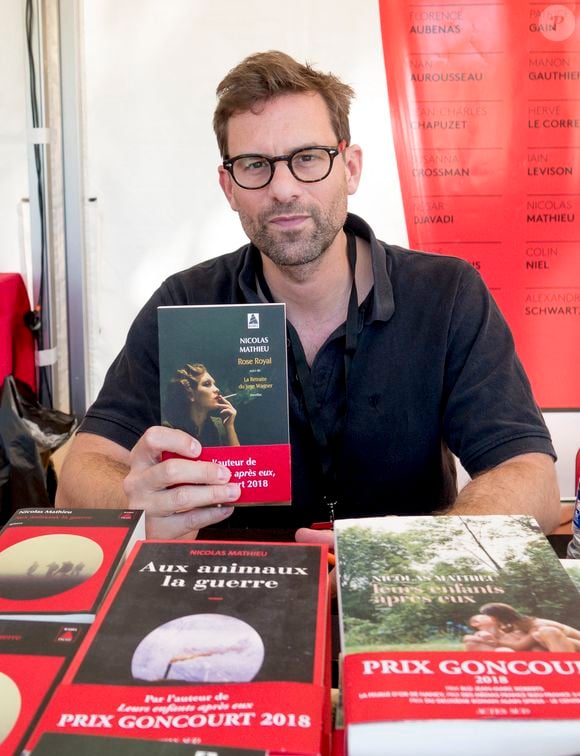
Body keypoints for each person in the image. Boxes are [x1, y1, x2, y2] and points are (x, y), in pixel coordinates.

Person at [55, 50, 560, 542]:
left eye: (307, 159)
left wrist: (414, 550)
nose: (283, 188)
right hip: (231, 597)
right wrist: (134, 501)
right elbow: (79, 475)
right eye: (255, 165)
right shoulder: (186, 302)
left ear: (351, 167)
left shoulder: (446, 294)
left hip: (403, 591)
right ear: (228, 187)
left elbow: (529, 476)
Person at [163, 363, 240, 447]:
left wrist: (229, 426)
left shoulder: (218, 426)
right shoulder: (169, 429)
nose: (217, 389)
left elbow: (238, 458)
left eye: (214, 384)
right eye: (207, 384)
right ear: (190, 394)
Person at [478, 602, 580, 652]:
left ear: (497, 616)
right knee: (535, 647)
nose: (485, 618)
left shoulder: (533, 624)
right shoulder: (514, 625)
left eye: (487, 616)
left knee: (541, 635)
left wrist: (496, 642)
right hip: (564, 643)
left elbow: (519, 646)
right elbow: (499, 635)